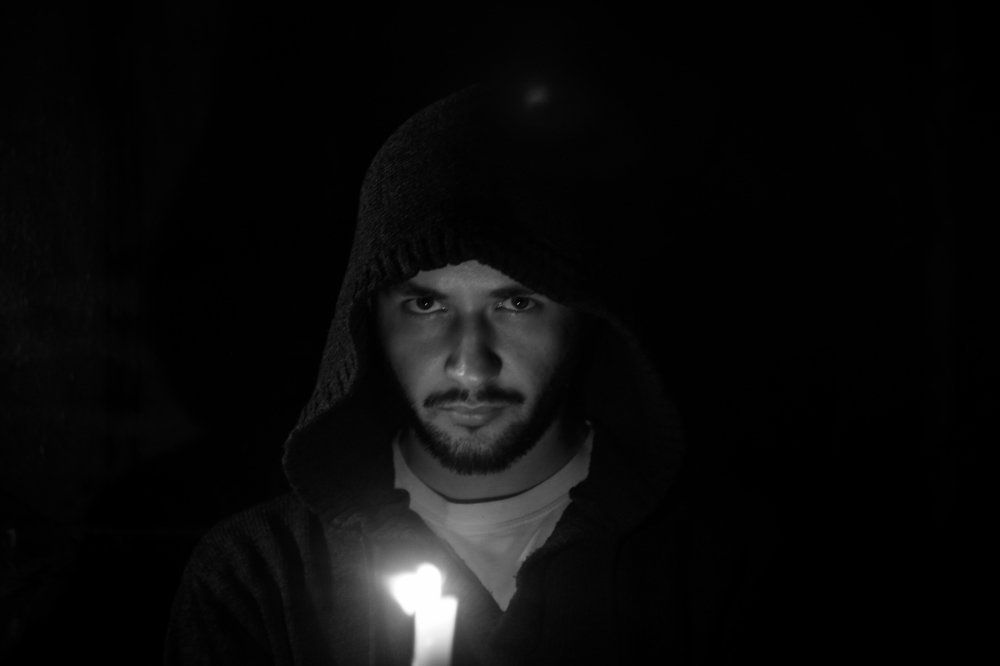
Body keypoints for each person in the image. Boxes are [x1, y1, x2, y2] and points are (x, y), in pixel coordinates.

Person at [165, 82, 776, 665]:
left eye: (516, 303)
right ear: (367, 319)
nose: (469, 362)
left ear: (586, 315)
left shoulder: (719, 569)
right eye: (425, 305)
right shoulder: (260, 576)